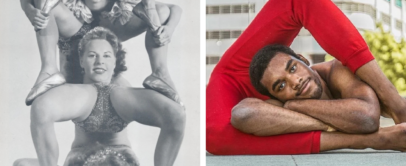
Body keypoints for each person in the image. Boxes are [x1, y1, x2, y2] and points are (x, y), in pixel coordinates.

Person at [206, 0, 406, 154]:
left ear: (303, 59)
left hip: (265, 85)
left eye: (293, 69)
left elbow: (367, 116)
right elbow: (242, 116)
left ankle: (398, 105)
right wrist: (373, 139)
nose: (295, 81)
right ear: (275, 97)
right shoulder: (282, 91)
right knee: (214, 137)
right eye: (282, 84)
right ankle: (377, 137)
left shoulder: (336, 71)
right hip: (233, 80)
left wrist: (293, 106)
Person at [13, 27, 185, 166]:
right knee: (21, 164)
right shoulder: (77, 90)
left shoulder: (122, 92)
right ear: (81, 61)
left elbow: (175, 116)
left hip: (120, 159)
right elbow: (41, 109)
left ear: (115, 61)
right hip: (80, 159)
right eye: (92, 55)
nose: (99, 61)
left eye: (106, 56)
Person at [20, 0, 183, 106]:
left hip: (109, 30)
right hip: (76, 29)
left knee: (160, 10)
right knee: (43, 2)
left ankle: (160, 73)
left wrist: (169, 29)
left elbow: (174, 8)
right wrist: (30, 12)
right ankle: (48, 70)